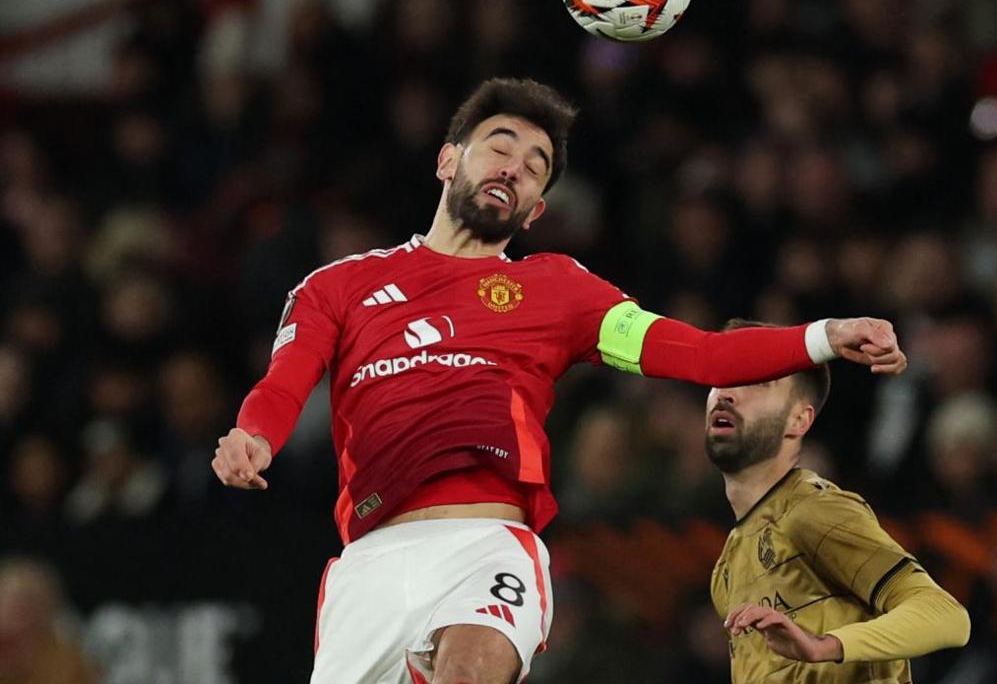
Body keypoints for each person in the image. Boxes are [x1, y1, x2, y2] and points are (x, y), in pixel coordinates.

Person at [211, 78, 908, 684]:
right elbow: (283, 383)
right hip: (372, 559)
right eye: (500, 145)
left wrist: (822, 335)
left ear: (536, 208)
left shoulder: (559, 292)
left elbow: (699, 355)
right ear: (449, 159)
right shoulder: (339, 286)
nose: (515, 168)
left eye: (536, 166)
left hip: (488, 543)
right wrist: (253, 437)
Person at [710, 319, 969, 683]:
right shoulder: (727, 564)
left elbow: (946, 615)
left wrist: (824, 646)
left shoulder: (812, 511)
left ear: (798, 420)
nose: (726, 393)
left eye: (756, 382)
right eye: (723, 375)